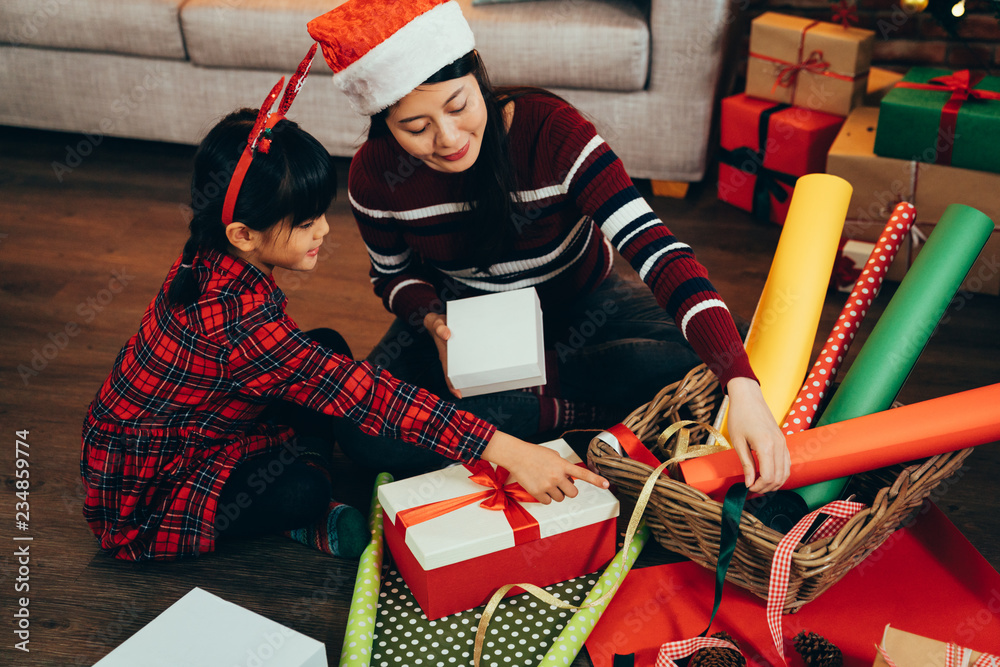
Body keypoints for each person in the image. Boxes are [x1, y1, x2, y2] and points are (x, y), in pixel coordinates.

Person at [80, 49, 609, 562]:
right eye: (307, 223)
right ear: (243, 233)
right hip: (151, 492)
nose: (326, 230)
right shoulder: (239, 325)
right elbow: (371, 398)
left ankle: (299, 461)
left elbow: (331, 379)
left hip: (202, 425)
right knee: (305, 487)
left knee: (327, 346)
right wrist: (513, 452)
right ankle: (306, 501)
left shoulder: (209, 248)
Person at [307, 0, 790, 492]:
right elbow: (392, 275)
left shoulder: (553, 130)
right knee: (360, 428)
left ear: (479, 79)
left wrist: (741, 384)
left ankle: (519, 408)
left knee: (736, 350)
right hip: (466, 322)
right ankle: (577, 411)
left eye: (458, 106)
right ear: (385, 125)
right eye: (416, 128)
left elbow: (657, 250)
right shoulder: (374, 174)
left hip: (581, 305)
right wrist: (435, 323)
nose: (449, 138)